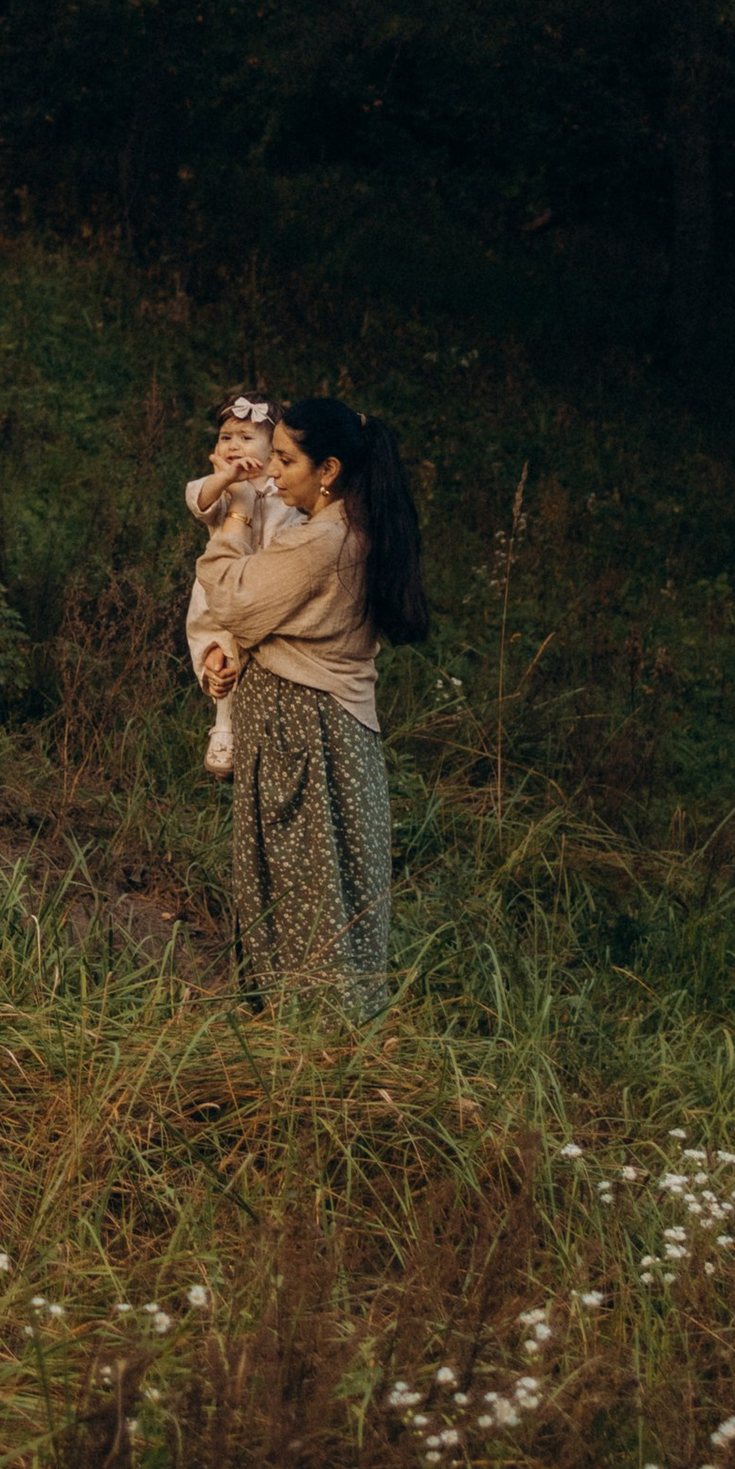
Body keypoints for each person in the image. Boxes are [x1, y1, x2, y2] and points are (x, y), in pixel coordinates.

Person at [194, 394, 427, 1016]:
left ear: (327, 470)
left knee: (302, 888)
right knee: (327, 883)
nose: (271, 472)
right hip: (324, 731)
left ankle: (307, 1039)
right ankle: (310, 1034)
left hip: (303, 734)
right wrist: (239, 653)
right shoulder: (353, 526)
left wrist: (233, 525)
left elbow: (234, 599)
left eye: (287, 460)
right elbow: (284, 620)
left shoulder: (325, 539)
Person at [182, 392, 296, 777]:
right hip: (221, 589)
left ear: (274, 449)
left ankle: (268, 732)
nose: (233, 445)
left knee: (262, 656)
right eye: (226, 437)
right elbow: (198, 501)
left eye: (246, 438)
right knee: (224, 652)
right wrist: (227, 479)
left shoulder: (285, 491)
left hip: (266, 587)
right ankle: (223, 726)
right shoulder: (219, 484)